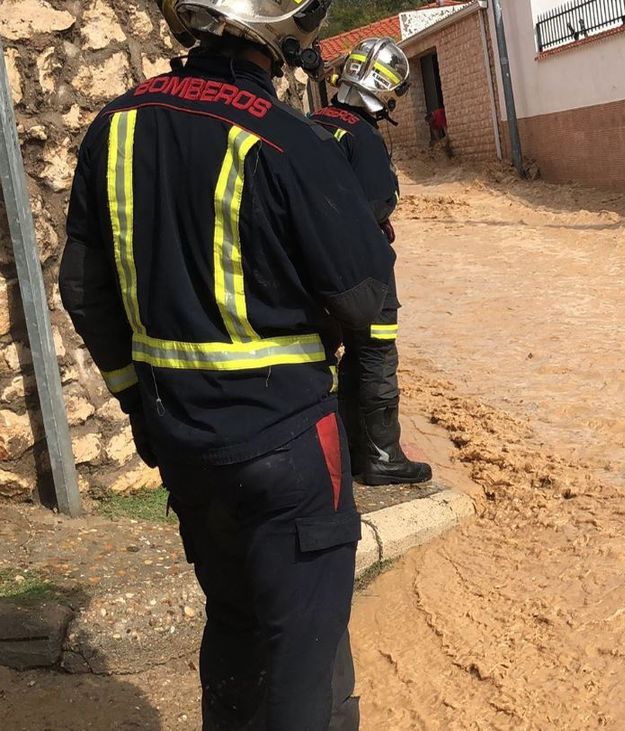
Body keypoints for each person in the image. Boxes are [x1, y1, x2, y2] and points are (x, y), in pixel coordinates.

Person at [59, 0, 395, 728]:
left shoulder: (114, 125)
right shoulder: (285, 138)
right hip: (290, 446)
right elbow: (366, 298)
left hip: (183, 443)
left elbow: (83, 289)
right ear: (280, 32)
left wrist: (137, 403)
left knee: (236, 626)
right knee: (305, 657)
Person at [311, 38, 433, 486]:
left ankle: (348, 450)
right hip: (364, 271)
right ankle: (382, 456)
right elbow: (380, 203)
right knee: (377, 355)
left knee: (344, 358)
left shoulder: (312, 121)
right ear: (383, 90)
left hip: (314, 269)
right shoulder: (363, 135)